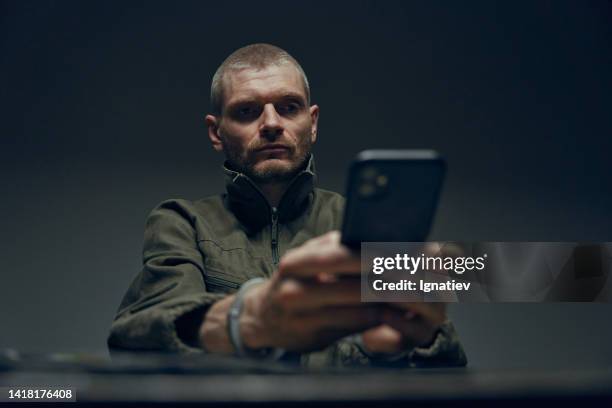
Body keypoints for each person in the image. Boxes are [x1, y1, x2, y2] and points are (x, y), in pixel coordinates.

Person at [108, 43, 467, 367]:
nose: (271, 123)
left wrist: (415, 339)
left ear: (311, 124)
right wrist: (248, 320)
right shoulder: (182, 221)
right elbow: (136, 336)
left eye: (288, 107)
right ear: (216, 132)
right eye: (247, 111)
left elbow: (451, 369)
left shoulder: (357, 223)